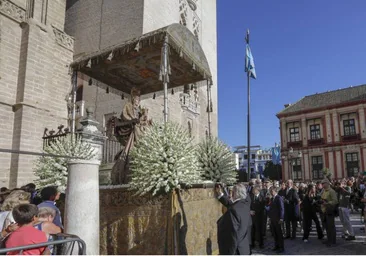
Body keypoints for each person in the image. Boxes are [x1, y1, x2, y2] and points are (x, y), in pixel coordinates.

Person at [216, 183, 251, 255]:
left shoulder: (233, 210)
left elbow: (233, 235)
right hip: (243, 249)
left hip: (235, 250)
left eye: (232, 191)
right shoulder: (245, 205)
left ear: (235, 193)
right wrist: (221, 194)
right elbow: (232, 204)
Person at [320, 178, 338, 247]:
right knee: (327, 226)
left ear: (327, 183)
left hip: (330, 211)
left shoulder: (331, 191)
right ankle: (328, 239)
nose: (322, 184)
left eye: (323, 183)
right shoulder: (324, 191)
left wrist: (327, 203)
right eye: (322, 183)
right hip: (324, 211)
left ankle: (333, 241)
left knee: (331, 226)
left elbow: (335, 201)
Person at [268, 186, 285, 254]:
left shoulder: (279, 198)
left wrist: (281, 218)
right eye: (270, 191)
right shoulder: (272, 198)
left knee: (279, 233)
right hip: (273, 218)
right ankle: (276, 246)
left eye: (271, 191)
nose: (270, 192)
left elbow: (282, 209)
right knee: (274, 233)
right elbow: (271, 209)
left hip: (278, 219)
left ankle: (281, 247)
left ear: (275, 191)